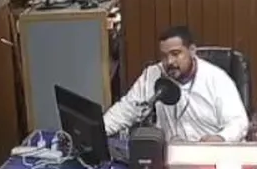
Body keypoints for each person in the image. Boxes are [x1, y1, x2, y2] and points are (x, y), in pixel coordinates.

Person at [103, 26, 249, 143]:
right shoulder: (153, 75)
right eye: (164, 56)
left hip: (210, 155)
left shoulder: (216, 79)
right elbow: (126, 110)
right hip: (171, 157)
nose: (169, 62)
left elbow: (238, 122)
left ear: (192, 51)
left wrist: (221, 138)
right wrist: (99, 131)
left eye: (175, 54)